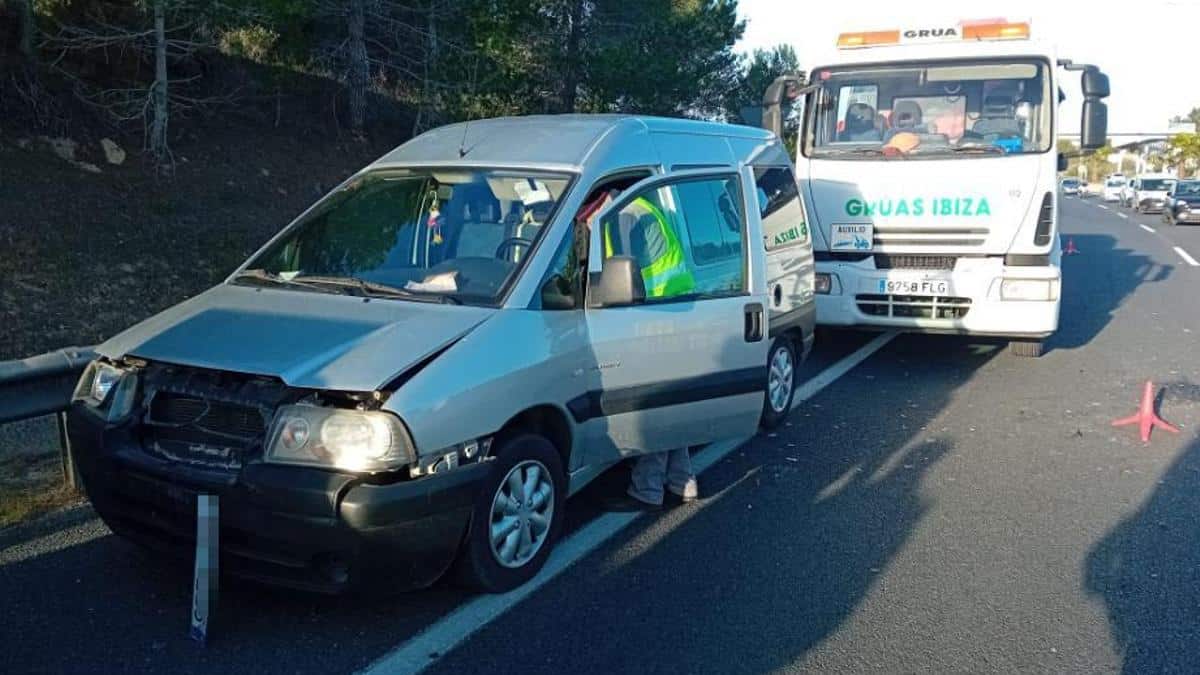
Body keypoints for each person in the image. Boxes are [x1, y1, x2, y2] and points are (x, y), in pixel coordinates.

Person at [574, 189, 701, 511]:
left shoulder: (620, 218)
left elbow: (621, 274)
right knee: (670, 402)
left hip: (658, 313)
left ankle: (647, 489)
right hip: (676, 305)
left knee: (653, 405)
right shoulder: (635, 204)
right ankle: (682, 481)